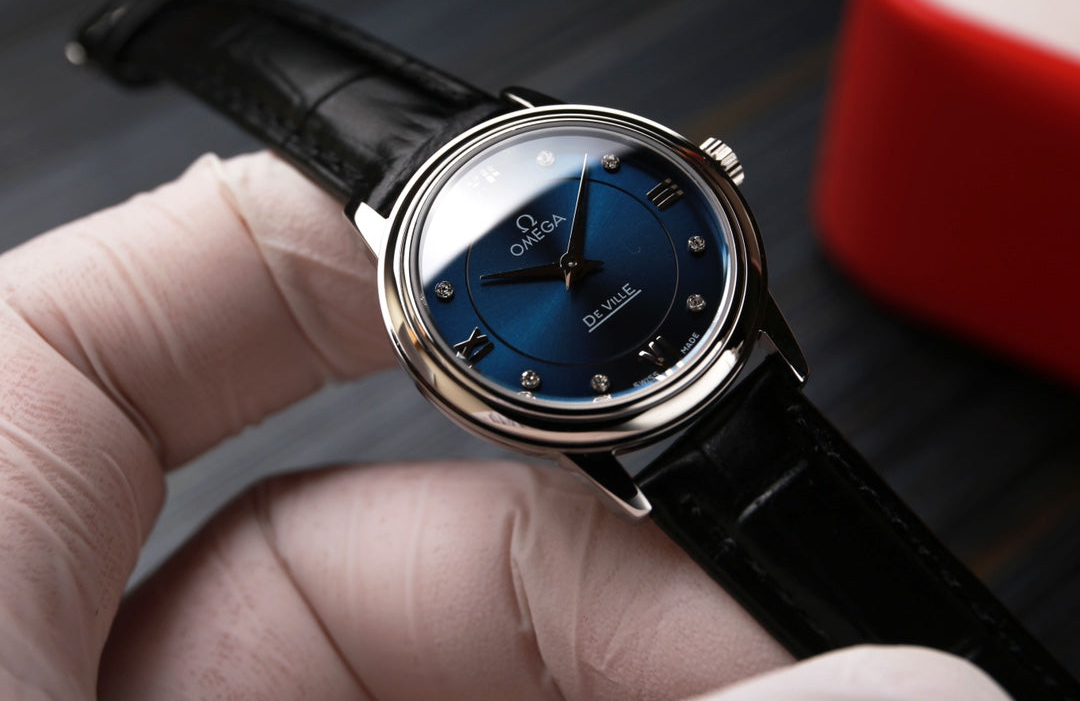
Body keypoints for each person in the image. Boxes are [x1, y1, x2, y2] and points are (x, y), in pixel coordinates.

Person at [0, 151, 1008, 699]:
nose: (569, 269)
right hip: (657, 410)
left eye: (570, 252)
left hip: (714, 364)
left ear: (710, 173)